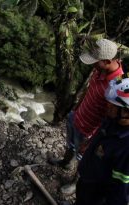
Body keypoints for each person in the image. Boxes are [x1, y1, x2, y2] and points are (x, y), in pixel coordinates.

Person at [49, 38, 124, 194]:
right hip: (78, 116)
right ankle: (65, 162)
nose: (93, 65)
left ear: (108, 61)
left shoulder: (118, 86)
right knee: (70, 144)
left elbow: (110, 119)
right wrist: (76, 109)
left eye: (96, 62)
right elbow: (89, 90)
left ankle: (75, 183)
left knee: (84, 158)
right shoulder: (100, 70)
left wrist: (92, 139)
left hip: (89, 130)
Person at [75, 75, 129, 205]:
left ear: (126, 112)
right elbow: (100, 132)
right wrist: (88, 143)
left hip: (97, 193)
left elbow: (120, 189)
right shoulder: (113, 120)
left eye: (112, 106)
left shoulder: (126, 147)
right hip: (87, 178)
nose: (107, 107)